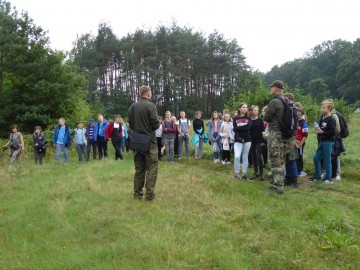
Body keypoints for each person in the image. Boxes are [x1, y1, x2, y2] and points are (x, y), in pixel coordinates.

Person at [128, 85, 160, 201]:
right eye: (151, 93)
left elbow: (130, 124)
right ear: (148, 94)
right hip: (149, 142)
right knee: (152, 168)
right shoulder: (151, 106)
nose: (151, 94)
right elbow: (156, 125)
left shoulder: (132, 106)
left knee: (139, 169)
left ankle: (137, 194)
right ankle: (149, 196)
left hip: (136, 142)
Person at [263, 80, 294, 194]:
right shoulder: (286, 101)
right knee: (281, 159)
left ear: (277, 88)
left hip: (275, 134)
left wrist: (266, 112)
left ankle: (278, 187)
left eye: (272, 87)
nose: (270, 89)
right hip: (285, 134)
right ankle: (280, 183)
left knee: (276, 160)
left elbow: (265, 118)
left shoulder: (275, 102)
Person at [308, 100, 336, 184]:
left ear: (329, 109)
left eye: (323, 107)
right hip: (322, 141)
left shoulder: (331, 119)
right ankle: (317, 176)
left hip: (328, 141)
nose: (321, 109)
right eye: (321, 107)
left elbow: (333, 132)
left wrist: (322, 132)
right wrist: (317, 128)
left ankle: (328, 178)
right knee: (316, 158)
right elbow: (321, 127)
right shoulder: (322, 117)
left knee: (327, 160)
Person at [233, 103, 252, 179]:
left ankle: (244, 174)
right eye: (243, 107)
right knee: (237, 156)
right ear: (239, 108)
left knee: (245, 156)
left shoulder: (248, 118)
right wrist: (239, 138)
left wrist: (237, 128)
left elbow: (247, 128)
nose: (245, 109)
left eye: (246, 107)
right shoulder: (235, 118)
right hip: (238, 139)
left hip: (247, 139)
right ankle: (237, 173)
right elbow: (235, 130)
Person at [249, 105, 265, 180]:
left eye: (257, 110)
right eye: (255, 110)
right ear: (251, 111)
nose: (256, 111)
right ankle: (256, 172)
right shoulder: (249, 120)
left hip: (259, 141)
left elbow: (263, 132)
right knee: (254, 157)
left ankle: (261, 174)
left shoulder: (260, 120)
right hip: (251, 141)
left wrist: (263, 141)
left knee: (259, 157)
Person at [294, 103, 308, 177]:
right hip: (294, 143)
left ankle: (301, 171)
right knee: (295, 157)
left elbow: (305, 135)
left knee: (299, 156)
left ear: (302, 114)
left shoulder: (303, 123)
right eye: (297, 114)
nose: (298, 115)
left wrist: (300, 144)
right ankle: (296, 170)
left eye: (299, 114)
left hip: (300, 143)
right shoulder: (295, 121)